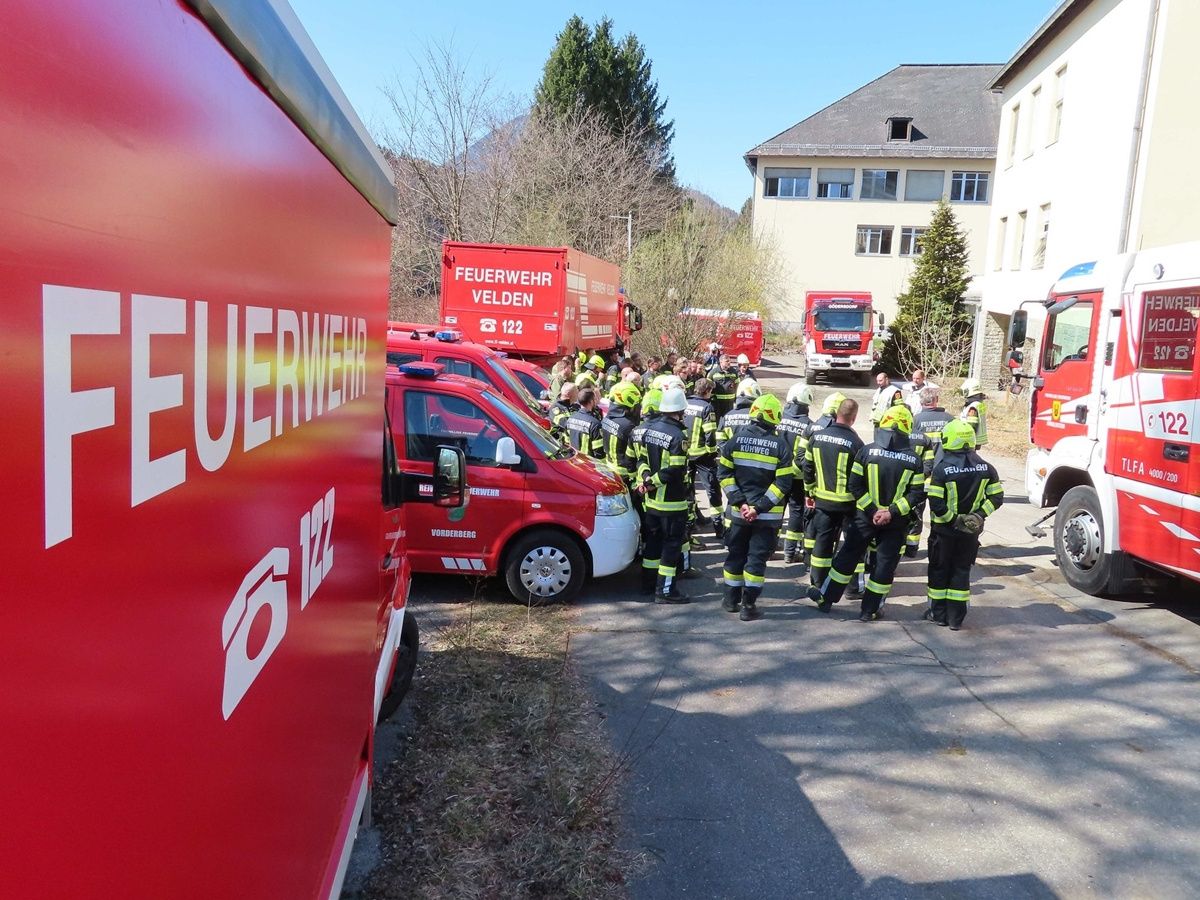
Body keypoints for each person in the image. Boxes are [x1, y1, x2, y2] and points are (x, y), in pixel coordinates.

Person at [806, 405, 924, 620]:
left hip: (864, 518)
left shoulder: (866, 451)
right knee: (884, 566)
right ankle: (870, 610)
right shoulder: (914, 460)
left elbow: (855, 485)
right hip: (895, 522)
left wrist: (872, 510)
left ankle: (826, 598)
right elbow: (916, 494)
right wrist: (890, 512)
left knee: (847, 557)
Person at [718, 393, 793, 621]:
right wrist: (758, 508)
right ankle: (748, 606)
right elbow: (782, 484)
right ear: (775, 417)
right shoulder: (781, 447)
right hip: (766, 519)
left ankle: (730, 600)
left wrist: (741, 503)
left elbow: (724, 475)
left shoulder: (735, 441)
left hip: (738, 515)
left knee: (735, 555)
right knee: (756, 561)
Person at [925, 419, 1004, 630]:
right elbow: (997, 498)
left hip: (944, 531)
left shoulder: (941, 470)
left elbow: (936, 503)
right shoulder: (987, 468)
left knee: (939, 570)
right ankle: (956, 619)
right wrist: (978, 516)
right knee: (961, 571)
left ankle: (938, 614)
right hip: (970, 533)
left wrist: (954, 520)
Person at [634, 386, 692, 604]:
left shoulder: (649, 430)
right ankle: (665, 591)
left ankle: (648, 585)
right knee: (670, 548)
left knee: (653, 544)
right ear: (680, 411)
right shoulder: (678, 436)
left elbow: (641, 460)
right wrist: (652, 483)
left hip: (651, 505)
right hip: (672, 505)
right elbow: (676, 470)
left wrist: (646, 479)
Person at [802, 397, 865, 591]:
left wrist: (810, 491)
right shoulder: (856, 443)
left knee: (822, 542)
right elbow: (860, 478)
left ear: (836, 414)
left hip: (823, 502)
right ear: (854, 418)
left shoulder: (817, 437)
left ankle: (817, 584)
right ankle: (853, 587)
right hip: (848, 504)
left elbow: (807, 466)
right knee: (853, 544)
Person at [907, 386, 954, 557]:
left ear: (921, 401)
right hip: (943, 477)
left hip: (920, 478)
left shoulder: (915, 420)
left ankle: (911, 548)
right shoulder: (950, 420)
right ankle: (937, 547)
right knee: (939, 514)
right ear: (936, 400)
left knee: (915, 514)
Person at [777, 383, 814, 566]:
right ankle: (790, 552)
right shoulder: (808, 425)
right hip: (797, 476)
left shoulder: (778, 418)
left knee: (775, 509)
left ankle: (769, 546)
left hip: (777, 474)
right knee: (796, 511)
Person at [684, 378, 721, 537]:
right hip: (702, 456)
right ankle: (719, 527)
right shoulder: (707, 407)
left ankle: (691, 525)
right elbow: (710, 433)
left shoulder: (686, 403)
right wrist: (712, 452)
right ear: (707, 391)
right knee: (712, 489)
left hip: (686, 455)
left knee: (688, 490)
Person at [565, 388, 604, 459]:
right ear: (591, 401)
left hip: (573, 459)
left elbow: (566, 441)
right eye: (595, 399)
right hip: (587, 461)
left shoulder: (570, 418)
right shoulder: (595, 424)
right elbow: (599, 452)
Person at [718, 378, 760, 442]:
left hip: (730, 448)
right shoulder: (759, 417)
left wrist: (731, 448)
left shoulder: (727, 417)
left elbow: (719, 441)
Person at [870, 372, 904, 440]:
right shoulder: (879, 390)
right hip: (877, 422)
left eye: (880, 381)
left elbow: (899, 407)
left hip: (887, 423)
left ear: (886, 379)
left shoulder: (895, 391)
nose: (878, 383)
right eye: (877, 381)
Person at [959, 378, 989, 448]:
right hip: (975, 441)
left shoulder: (973, 408)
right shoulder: (978, 404)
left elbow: (971, 427)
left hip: (968, 443)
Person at [709, 354, 738, 419]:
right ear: (721, 362)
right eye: (727, 361)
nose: (729, 363)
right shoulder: (713, 372)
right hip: (718, 402)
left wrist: (736, 397)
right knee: (718, 420)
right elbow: (708, 384)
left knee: (728, 420)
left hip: (730, 403)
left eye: (729, 361)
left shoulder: (734, 372)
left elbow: (737, 384)